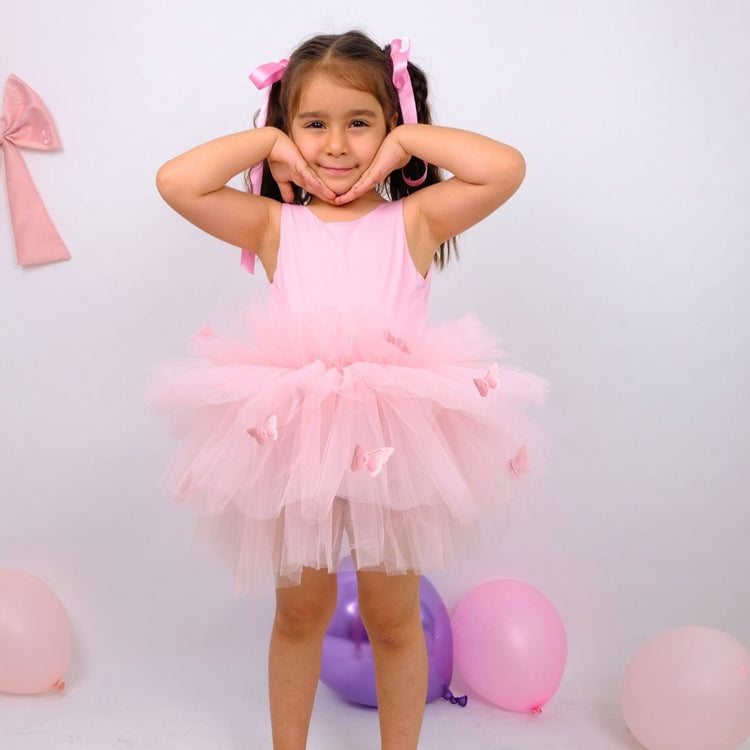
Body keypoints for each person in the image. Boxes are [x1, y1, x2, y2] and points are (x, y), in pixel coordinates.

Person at [150, 30, 547, 750]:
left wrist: (407, 142)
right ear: (288, 127)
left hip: (394, 440)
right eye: (314, 124)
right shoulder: (276, 225)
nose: (336, 144)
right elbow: (177, 182)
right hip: (293, 435)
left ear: (390, 127)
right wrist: (268, 148)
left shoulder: (417, 220)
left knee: (393, 617)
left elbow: (504, 168)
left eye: (359, 123)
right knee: (301, 611)